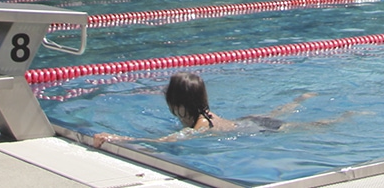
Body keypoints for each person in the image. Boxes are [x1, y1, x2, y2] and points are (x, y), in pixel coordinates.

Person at [92, 72, 341, 146]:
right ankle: (301, 99)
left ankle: (345, 118)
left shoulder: (199, 124)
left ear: (176, 101)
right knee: (277, 112)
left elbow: (164, 141)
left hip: (254, 127)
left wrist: (118, 138)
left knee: (304, 126)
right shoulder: (200, 112)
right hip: (246, 121)